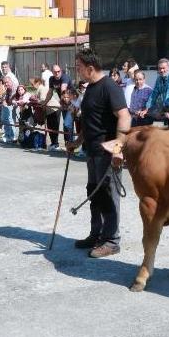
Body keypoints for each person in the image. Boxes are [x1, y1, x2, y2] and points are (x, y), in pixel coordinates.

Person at [65, 48, 131, 258]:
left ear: (90, 68)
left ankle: (111, 240)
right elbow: (90, 122)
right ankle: (97, 234)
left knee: (108, 196)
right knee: (94, 193)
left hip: (107, 154)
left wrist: (118, 149)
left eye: (79, 67)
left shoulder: (109, 87)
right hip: (91, 152)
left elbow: (124, 116)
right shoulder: (91, 88)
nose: (77, 71)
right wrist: (77, 141)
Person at [43, 64, 73, 150]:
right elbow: (50, 92)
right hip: (64, 104)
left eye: (58, 71)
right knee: (66, 124)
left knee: (67, 124)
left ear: (61, 71)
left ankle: (70, 146)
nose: (57, 73)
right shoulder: (51, 79)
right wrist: (45, 102)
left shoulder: (65, 77)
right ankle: (65, 145)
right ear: (52, 72)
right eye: (55, 72)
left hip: (72, 103)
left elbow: (63, 89)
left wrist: (61, 102)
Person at [145, 58, 169, 128]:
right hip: (166, 107)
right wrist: (147, 108)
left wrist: (162, 110)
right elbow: (154, 93)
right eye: (159, 68)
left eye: (163, 68)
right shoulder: (159, 78)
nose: (161, 70)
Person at [0, 76, 17, 143]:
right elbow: (3, 96)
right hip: (6, 106)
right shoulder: (7, 89)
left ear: (11, 81)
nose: (6, 84)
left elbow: (13, 97)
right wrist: (2, 100)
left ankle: (12, 136)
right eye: (4, 83)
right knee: (5, 120)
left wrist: (6, 101)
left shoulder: (14, 88)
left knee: (9, 120)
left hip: (11, 106)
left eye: (7, 82)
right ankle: (8, 136)